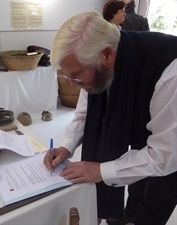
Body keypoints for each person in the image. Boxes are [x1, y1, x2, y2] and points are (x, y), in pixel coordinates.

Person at [43, 11, 177, 225]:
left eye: (75, 75)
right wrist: (66, 147)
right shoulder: (94, 60)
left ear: (106, 55)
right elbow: (84, 114)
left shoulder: (170, 71)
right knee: (134, 192)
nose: (72, 84)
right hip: (146, 136)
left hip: (172, 147)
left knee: (154, 204)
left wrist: (100, 170)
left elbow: (166, 155)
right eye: (67, 75)